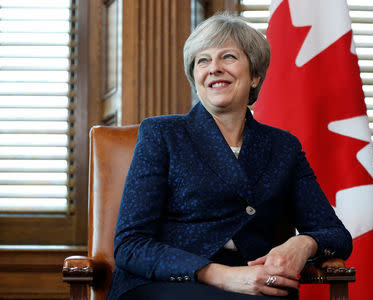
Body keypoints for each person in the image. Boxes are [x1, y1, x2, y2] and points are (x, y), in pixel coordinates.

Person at [107, 13, 352, 300]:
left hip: (256, 280)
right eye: (203, 60)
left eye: (228, 57)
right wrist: (220, 276)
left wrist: (304, 244)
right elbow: (131, 245)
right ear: (195, 76)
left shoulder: (283, 146)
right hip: (168, 280)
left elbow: (336, 235)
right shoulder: (162, 133)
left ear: (255, 76)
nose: (214, 68)